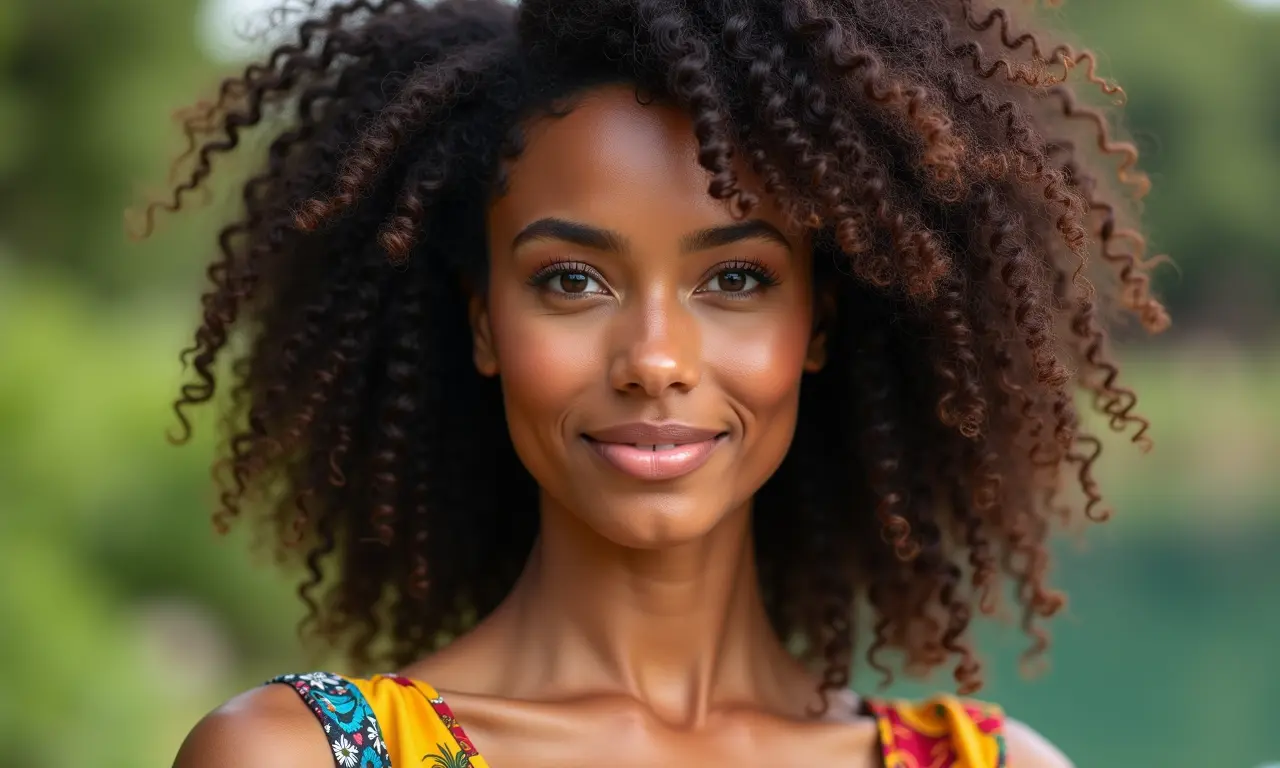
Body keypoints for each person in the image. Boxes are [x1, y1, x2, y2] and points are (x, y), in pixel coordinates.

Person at [155, 0, 1169, 765]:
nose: (652, 359)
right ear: (483, 322)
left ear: (813, 323)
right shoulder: (295, 756)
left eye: (734, 279)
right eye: (571, 281)